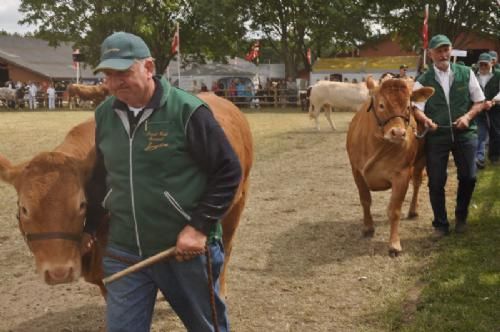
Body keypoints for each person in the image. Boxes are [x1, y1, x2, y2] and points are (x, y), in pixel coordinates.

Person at [83, 31, 240, 332]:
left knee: (208, 327)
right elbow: (101, 177)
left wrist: (198, 227)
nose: (115, 83)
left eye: (123, 73)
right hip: (125, 250)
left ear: (149, 67)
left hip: (183, 251)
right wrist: (89, 227)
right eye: (108, 75)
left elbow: (228, 170)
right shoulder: (104, 115)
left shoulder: (187, 111)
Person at [412, 34, 489, 235]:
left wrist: (467, 117)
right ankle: (440, 224)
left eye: (446, 50)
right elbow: (416, 108)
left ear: (450, 51)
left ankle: (461, 216)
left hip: (465, 134)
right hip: (437, 136)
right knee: (436, 181)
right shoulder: (423, 80)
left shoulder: (465, 73)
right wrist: (426, 121)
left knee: (469, 177)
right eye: (438, 50)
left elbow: (479, 101)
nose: (443, 54)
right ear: (431, 54)